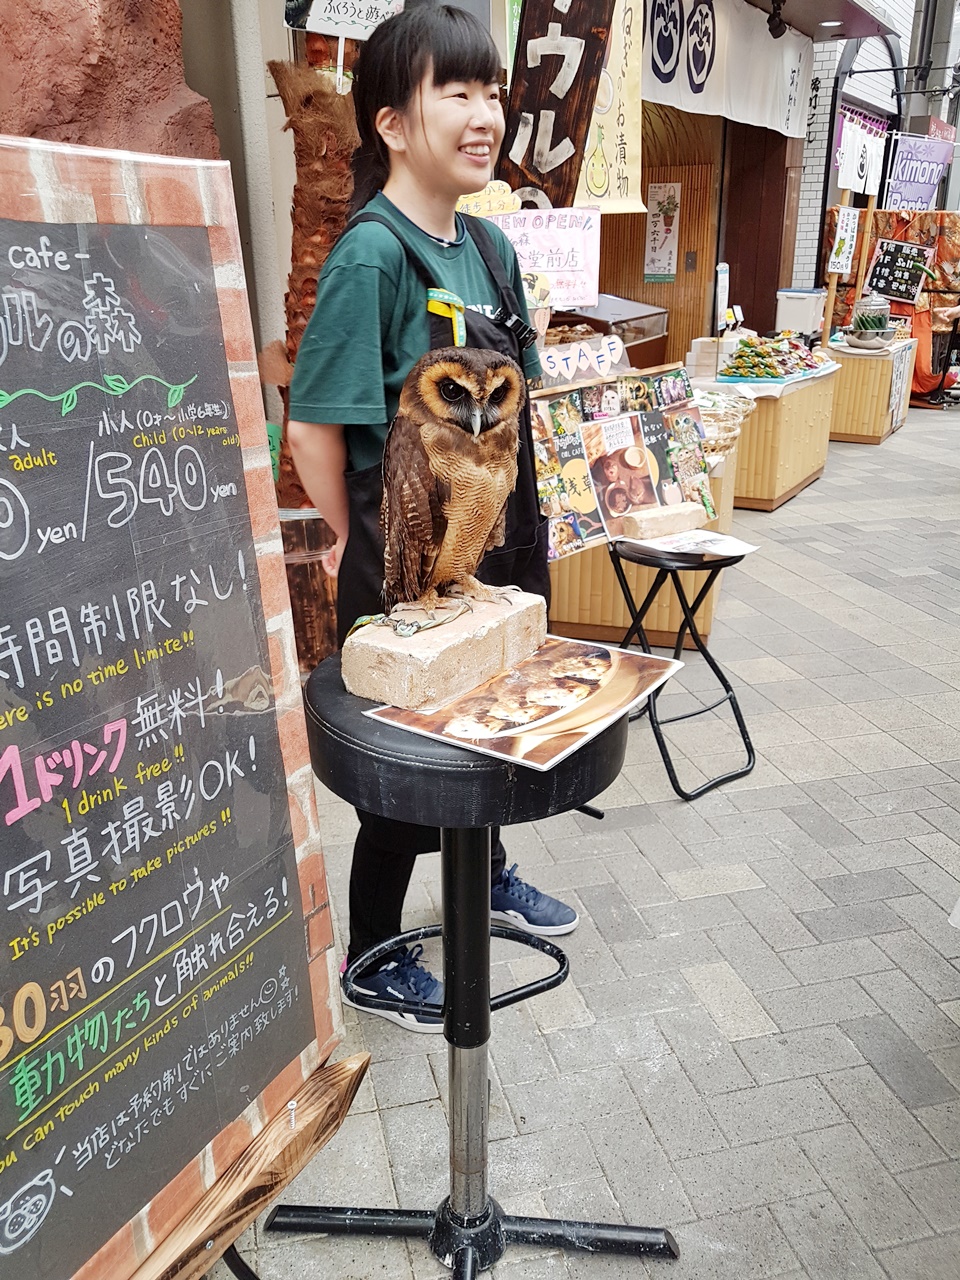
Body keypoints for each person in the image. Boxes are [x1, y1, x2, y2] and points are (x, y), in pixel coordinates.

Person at [287, 3, 579, 1033]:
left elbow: (521, 407)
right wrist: (357, 550)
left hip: (488, 551)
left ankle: (485, 876)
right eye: (452, 90)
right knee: (406, 788)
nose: (482, 113)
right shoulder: (373, 255)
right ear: (391, 124)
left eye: (491, 90)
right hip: (402, 565)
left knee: (485, 741)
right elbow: (315, 431)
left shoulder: (491, 249)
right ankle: (372, 953)